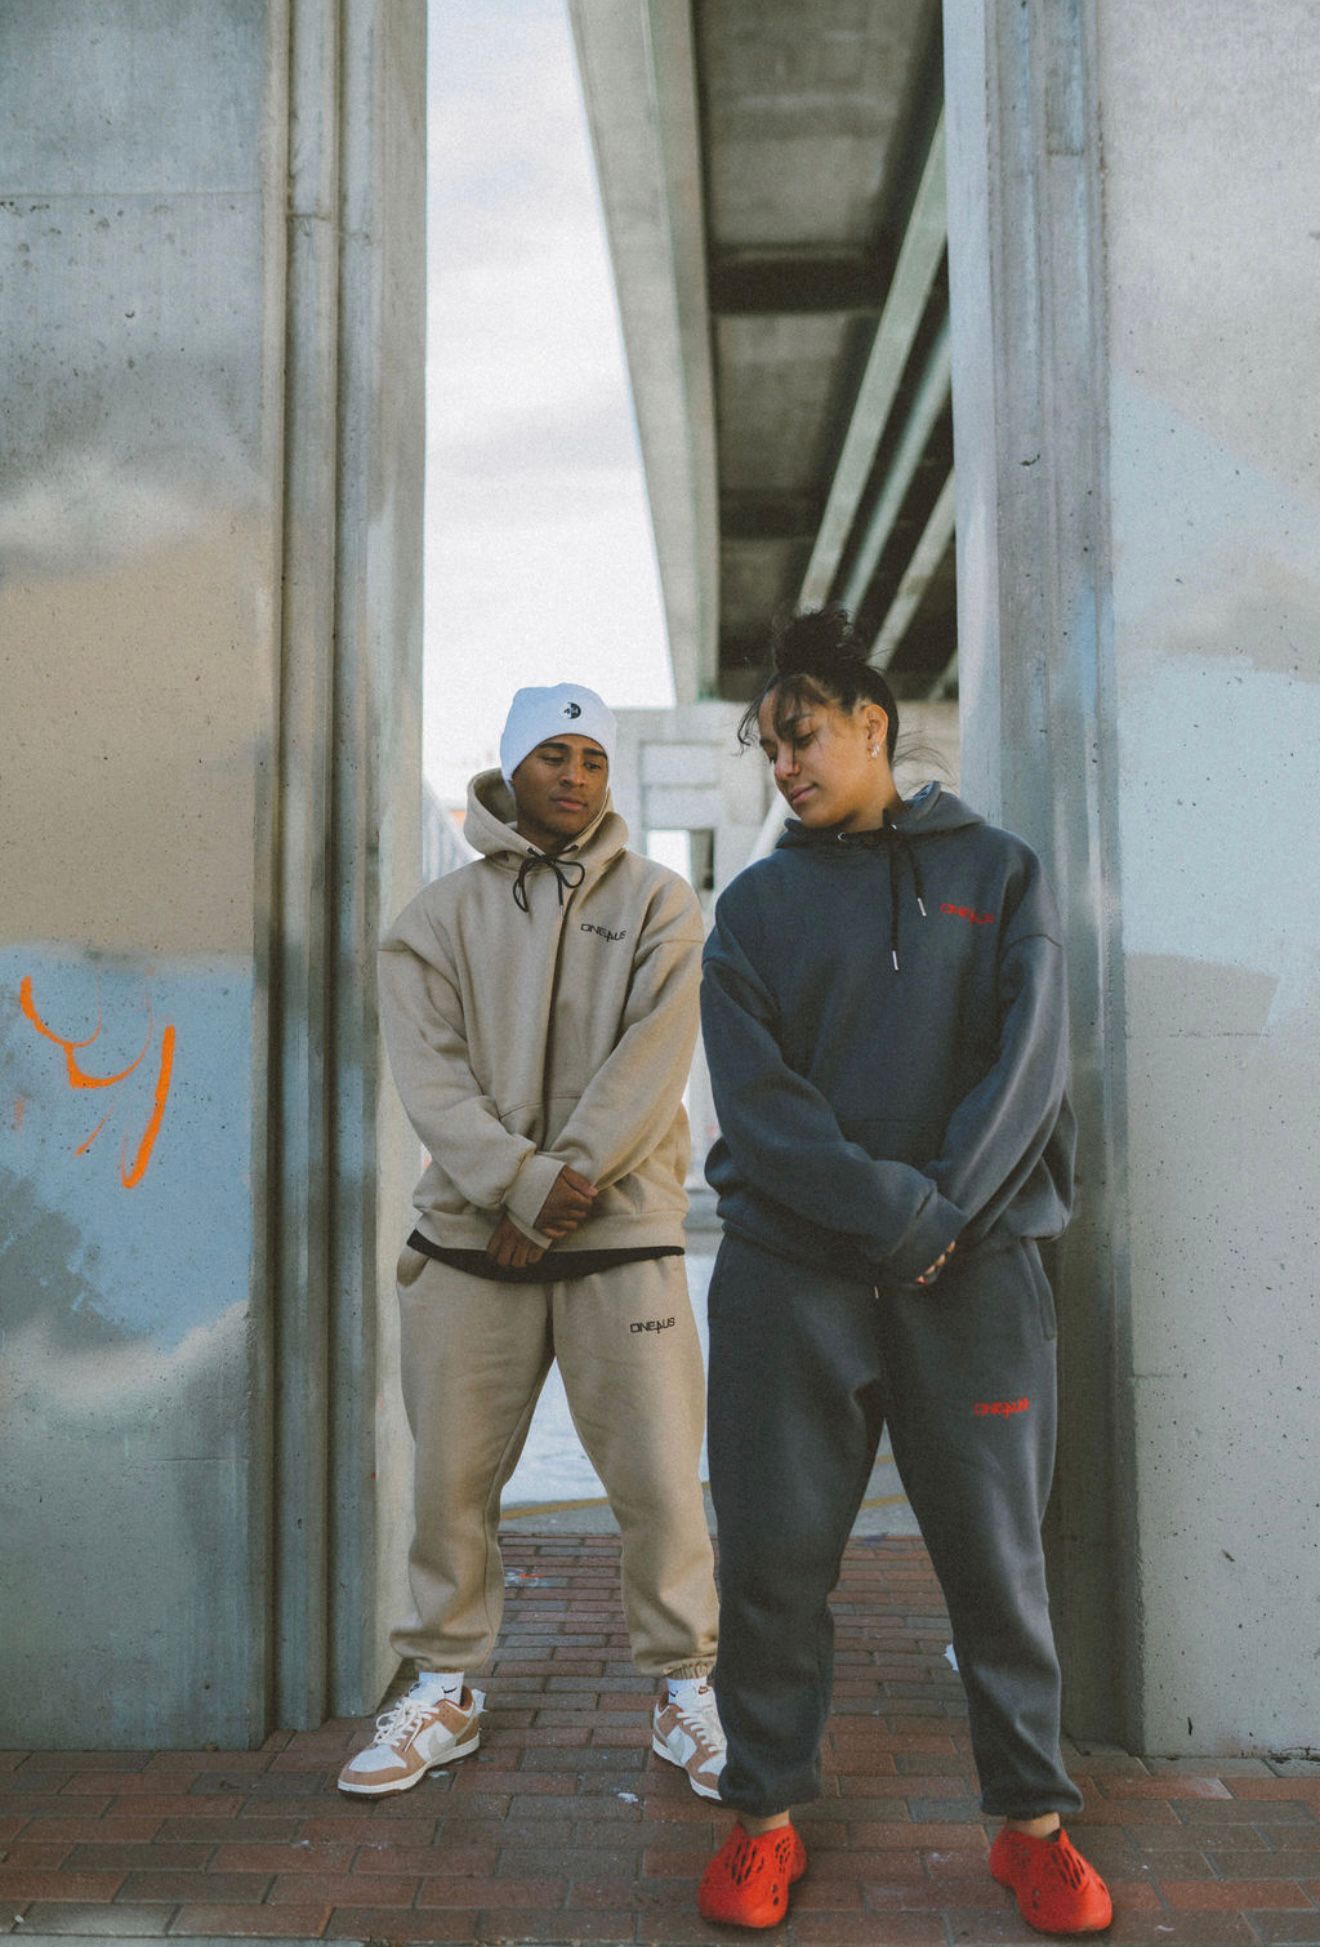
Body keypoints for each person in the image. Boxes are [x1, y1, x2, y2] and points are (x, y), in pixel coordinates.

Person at [694, 610, 1112, 1934]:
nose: (785, 765)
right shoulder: (752, 905)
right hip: (790, 1276)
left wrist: (940, 1219)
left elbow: (1030, 1068)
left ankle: (1030, 1826)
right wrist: (898, 1215)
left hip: (976, 1273)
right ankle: (764, 1820)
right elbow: (759, 1108)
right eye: (769, 747)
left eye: (801, 733)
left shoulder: (1002, 871)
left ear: (873, 721)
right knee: (769, 1561)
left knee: (999, 1562)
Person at [338, 683, 724, 1802]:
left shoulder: (660, 902)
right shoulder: (433, 920)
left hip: (620, 1240)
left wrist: (555, 1189)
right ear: (510, 771)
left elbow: (656, 1058)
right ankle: (447, 1685)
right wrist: (515, 1190)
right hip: (471, 1246)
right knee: (452, 1485)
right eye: (552, 755)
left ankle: (684, 1687)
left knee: (659, 1480)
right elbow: (431, 1079)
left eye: (592, 758)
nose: (574, 776)